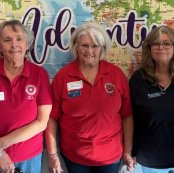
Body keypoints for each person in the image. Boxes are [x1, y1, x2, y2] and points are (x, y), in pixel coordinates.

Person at [45, 22, 134, 173]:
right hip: (75, 156)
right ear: (76, 47)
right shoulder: (63, 76)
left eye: (95, 46)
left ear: (102, 48)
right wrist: (52, 154)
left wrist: (127, 151)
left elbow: (127, 116)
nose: (89, 51)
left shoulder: (116, 74)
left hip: (111, 156)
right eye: (84, 45)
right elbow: (51, 118)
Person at [0, 19, 52, 173]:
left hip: (28, 158)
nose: (14, 45)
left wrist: (2, 144)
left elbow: (42, 122)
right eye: (7, 40)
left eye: (19, 39)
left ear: (27, 44)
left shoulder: (39, 75)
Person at [130, 25, 174, 173]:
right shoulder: (138, 79)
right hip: (151, 160)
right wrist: (131, 151)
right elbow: (131, 118)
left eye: (166, 43)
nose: (161, 47)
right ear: (149, 48)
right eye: (155, 43)